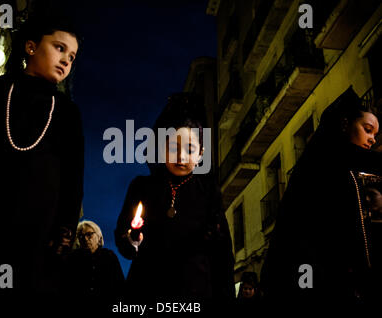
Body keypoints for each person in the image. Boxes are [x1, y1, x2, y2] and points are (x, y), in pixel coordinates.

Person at [0, 15, 84, 292]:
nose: (67, 60)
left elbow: (73, 181)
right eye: (59, 48)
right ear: (30, 47)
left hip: (35, 240)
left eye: (72, 55)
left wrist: (62, 235)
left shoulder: (68, 113)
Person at [260, 86, 381, 302]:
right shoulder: (322, 161)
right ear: (345, 124)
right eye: (367, 129)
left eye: (375, 134)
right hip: (314, 276)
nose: (372, 139)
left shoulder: (355, 168)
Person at [115, 93, 235, 308]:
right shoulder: (142, 187)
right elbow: (123, 237)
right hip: (147, 291)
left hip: (196, 294)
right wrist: (131, 241)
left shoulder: (208, 191)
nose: (181, 156)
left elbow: (223, 253)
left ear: (201, 154)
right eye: (173, 148)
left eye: (190, 149)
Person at [63, 220, 125, 301]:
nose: (85, 238)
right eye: (81, 236)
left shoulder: (109, 256)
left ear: (99, 236)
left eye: (89, 234)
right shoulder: (73, 257)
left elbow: (120, 284)